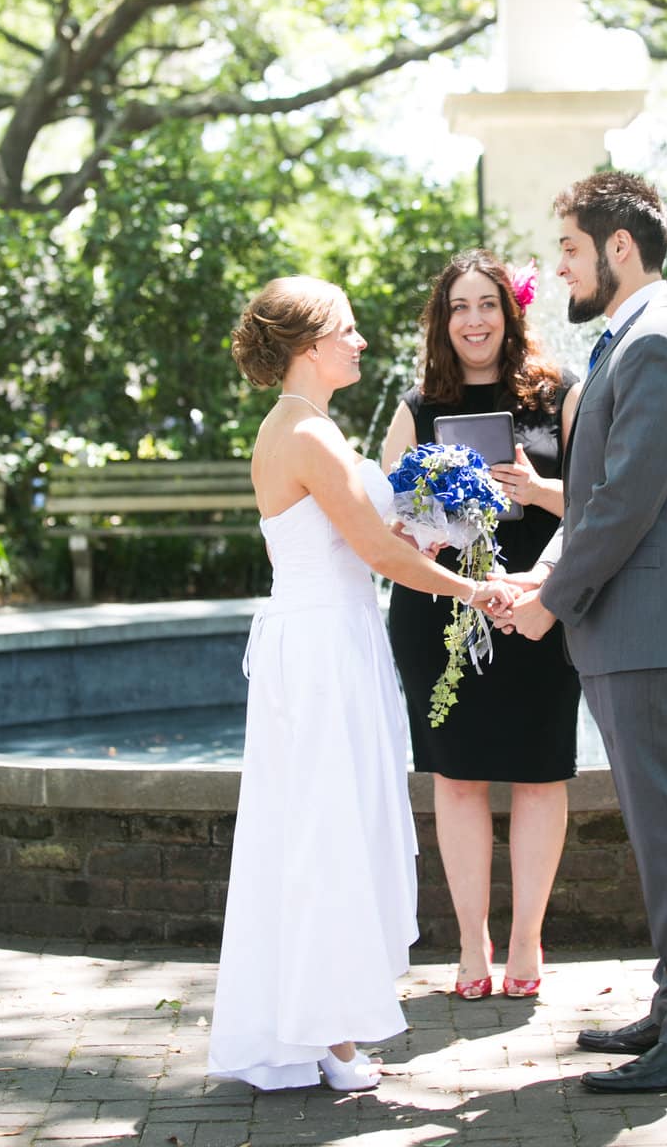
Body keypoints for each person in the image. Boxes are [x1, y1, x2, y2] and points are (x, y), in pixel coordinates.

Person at [208, 275, 514, 1093]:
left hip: (331, 636)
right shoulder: (304, 435)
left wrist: (437, 527)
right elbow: (378, 555)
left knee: (319, 826)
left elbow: (368, 537)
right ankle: (329, 1038)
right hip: (319, 647)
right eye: (347, 330)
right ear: (310, 346)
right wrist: (472, 589)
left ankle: (315, 1024)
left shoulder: (306, 426)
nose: (361, 341)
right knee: (325, 831)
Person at [500, 172, 667, 1094]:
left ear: (619, 248)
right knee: (663, 829)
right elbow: (603, 498)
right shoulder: (634, 342)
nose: (558, 265)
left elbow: (627, 506)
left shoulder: (658, 346)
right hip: (635, 629)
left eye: (568, 247)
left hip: (650, 629)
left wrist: (549, 599)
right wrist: (541, 573)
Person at [381, 249, 581, 1000]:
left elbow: (602, 502)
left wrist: (536, 488)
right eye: (460, 306)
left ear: (511, 312)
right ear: (443, 319)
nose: (474, 320)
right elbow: (387, 525)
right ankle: (472, 945)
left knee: (538, 775)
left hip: (540, 611)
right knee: (457, 779)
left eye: (487, 305)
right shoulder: (416, 407)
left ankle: (527, 939)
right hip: (438, 615)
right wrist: (436, 535)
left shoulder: (558, 394)